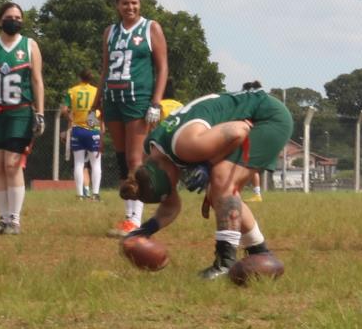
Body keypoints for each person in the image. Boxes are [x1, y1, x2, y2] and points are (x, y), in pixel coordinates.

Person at [121, 87, 292, 278]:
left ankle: (225, 263)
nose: (177, 183)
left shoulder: (186, 146)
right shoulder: (152, 153)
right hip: (252, 114)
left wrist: (207, 165)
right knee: (219, 189)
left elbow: (239, 130)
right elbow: (171, 207)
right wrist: (143, 232)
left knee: (220, 179)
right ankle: (259, 252)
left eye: (172, 185)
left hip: (268, 118)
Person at [100, 0, 169, 236]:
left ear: (140, 3)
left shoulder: (151, 28)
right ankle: (127, 215)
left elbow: (162, 67)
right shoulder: (110, 32)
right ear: (117, 5)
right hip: (113, 99)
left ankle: (135, 219)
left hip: (137, 99)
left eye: (134, 2)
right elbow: (105, 69)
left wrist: (156, 102)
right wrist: (98, 101)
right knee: (121, 159)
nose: (130, 7)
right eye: (125, 3)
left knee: (135, 158)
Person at [0, 3, 45, 235]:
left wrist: (40, 111)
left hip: (20, 112)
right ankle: (3, 219)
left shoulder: (30, 45)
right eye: (9, 16)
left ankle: (15, 220)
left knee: (13, 164)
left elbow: (36, 80)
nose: (14, 20)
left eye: (18, 17)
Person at [65, 71, 103, 201]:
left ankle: (80, 194)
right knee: (96, 163)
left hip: (78, 128)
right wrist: (97, 122)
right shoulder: (96, 91)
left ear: (79, 77)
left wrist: (71, 118)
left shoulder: (72, 91)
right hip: (92, 126)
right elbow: (101, 109)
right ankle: (96, 194)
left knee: (78, 163)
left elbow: (65, 109)